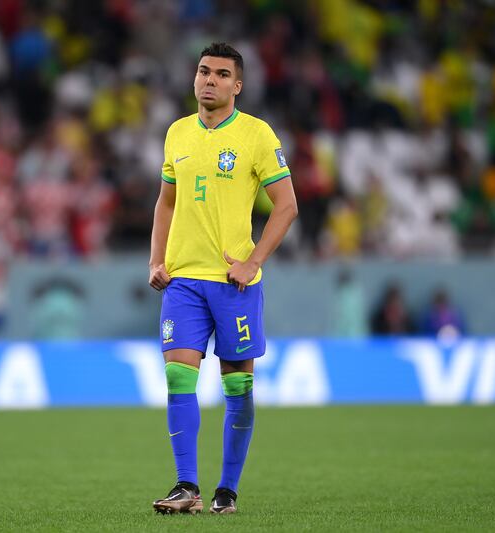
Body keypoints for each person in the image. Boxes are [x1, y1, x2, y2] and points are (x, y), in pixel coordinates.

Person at [148, 42, 298, 515]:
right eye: (203, 71)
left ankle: (226, 491)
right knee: (177, 376)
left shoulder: (255, 135)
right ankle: (185, 486)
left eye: (220, 74)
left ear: (237, 85)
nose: (208, 80)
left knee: (236, 386)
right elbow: (166, 202)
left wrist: (253, 262)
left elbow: (288, 205)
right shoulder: (176, 133)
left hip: (233, 282)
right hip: (184, 282)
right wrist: (157, 259)